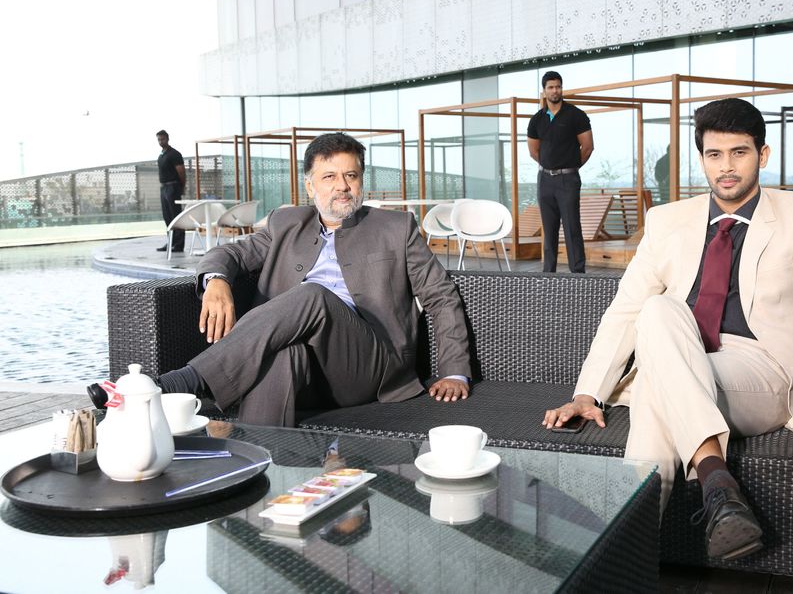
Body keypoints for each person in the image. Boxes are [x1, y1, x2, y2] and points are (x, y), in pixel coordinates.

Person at [542, 98, 793, 561]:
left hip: (762, 371)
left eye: (739, 153)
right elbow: (625, 310)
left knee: (655, 381)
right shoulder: (668, 221)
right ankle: (713, 491)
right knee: (656, 310)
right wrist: (587, 393)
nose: (726, 167)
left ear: (762, 155)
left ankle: (615, 553)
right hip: (682, 354)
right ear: (702, 159)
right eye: (715, 155)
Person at [91, 132, 471, 425]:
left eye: (351, 175)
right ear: (310, 186)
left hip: (367, 366)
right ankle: (256, 476)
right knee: (282, 354)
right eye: (329, 176)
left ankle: (182, 383)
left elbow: (441, 296)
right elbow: (229, 254)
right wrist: (216, 281)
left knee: (312, 295)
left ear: (361, 182)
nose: (341, 185)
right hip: (304, 370)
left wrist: (455, 372)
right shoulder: (285, 223)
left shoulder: (395, 227)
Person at [526, 71, 595, 273]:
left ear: (561, 88)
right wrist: (550, 166)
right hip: (544, 180)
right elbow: (534, 151)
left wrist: (570, 166)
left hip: (568, 180)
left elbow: (588, 147)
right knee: (549, 231)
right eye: (551, 87)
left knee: (572, 228)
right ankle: (548, 275)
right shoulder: (537, 119)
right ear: (544, 91)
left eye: (558, 86)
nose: (555, 90)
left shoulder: (576, 115)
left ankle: (578, 275)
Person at [155, 130, 186, 253]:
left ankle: (178, 245)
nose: (161, 142)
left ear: (167, 139)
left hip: (173, 187)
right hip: (164, 188)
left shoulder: (174, 154)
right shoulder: (162, 155)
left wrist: (181, 187)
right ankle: (171, 242)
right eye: (159, 139)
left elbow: (181, 173)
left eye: (162, 139)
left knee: (175, 216)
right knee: (167, 216)